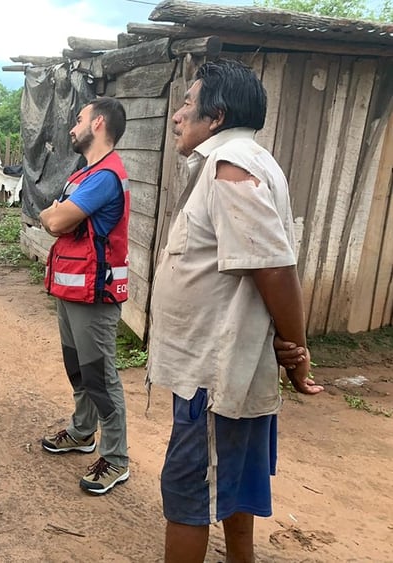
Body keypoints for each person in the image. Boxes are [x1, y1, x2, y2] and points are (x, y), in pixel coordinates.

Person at [145, 59, 324, 563]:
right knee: (227, 482)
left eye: (186, 104)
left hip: (214, 371)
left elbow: (273, 267)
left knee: (188, 493)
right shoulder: (243, 159)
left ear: (216, 115)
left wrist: (297, 353)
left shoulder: (232, 167)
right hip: (221, 368)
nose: (178, 116)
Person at [39, 97, 131, 495]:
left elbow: (55, 218)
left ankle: (116, 457)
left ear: (98, 124)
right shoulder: (85, 173)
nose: (72, 127)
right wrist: (54, 214)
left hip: (94, 293)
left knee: (100, 377)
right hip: (70, 288)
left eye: (79, 120)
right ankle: (82, 433)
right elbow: (54, 217)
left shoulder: (105, 177)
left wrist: (55, 213)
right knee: (79, 371)